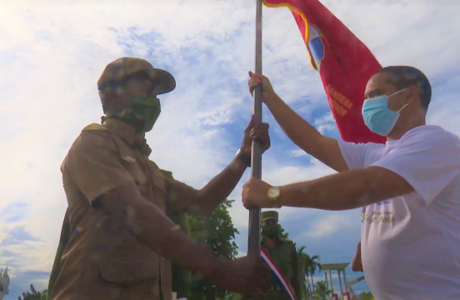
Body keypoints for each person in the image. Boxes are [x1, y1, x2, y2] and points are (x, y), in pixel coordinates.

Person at [50, 57, 271, 300]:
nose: (153, 98)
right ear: (112, 94)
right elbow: (134, 212)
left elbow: (201, 202)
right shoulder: (92, 144)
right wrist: (220, 270)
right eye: (147, 88)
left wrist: (243, 156)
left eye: (156, 94)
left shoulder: (148, 168)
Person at [242, 66, 460, 300]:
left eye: (375, 95)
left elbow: (364, 188)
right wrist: (270, 98)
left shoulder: (437, 143)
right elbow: (315, 142)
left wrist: (275, 194)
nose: (367, 104)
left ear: (409, 95)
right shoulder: (374, 155)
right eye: (365, 98)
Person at [259, 211, 303, 300]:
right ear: (261, 226)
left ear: (278, 225)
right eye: (267, 222)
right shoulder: (256, 248)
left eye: (273, 222)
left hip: (285, 296)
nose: (271, 225)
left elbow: (297, 278)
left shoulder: (289, 247)